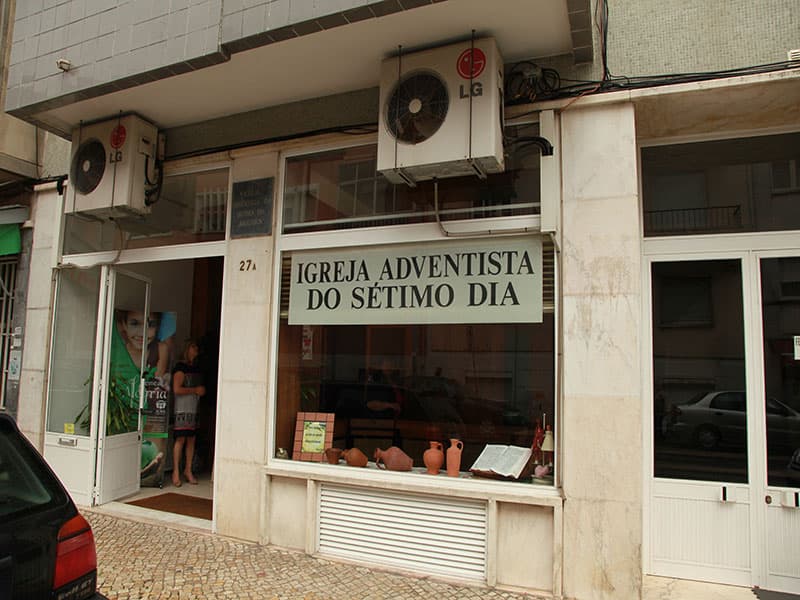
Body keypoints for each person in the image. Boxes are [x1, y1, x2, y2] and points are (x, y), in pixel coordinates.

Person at [171, 339, 206, 486]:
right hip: (182, 409)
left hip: (194, 407)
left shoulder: (196, 368)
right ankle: (176, 472)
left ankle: (188, 469)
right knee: (181, 439)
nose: (196, 350)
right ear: (187, 349)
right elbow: (177, 389)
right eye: (193, 347)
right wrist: (194, 390)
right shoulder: (181, 368)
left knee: (191, 439)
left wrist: (201, 392)